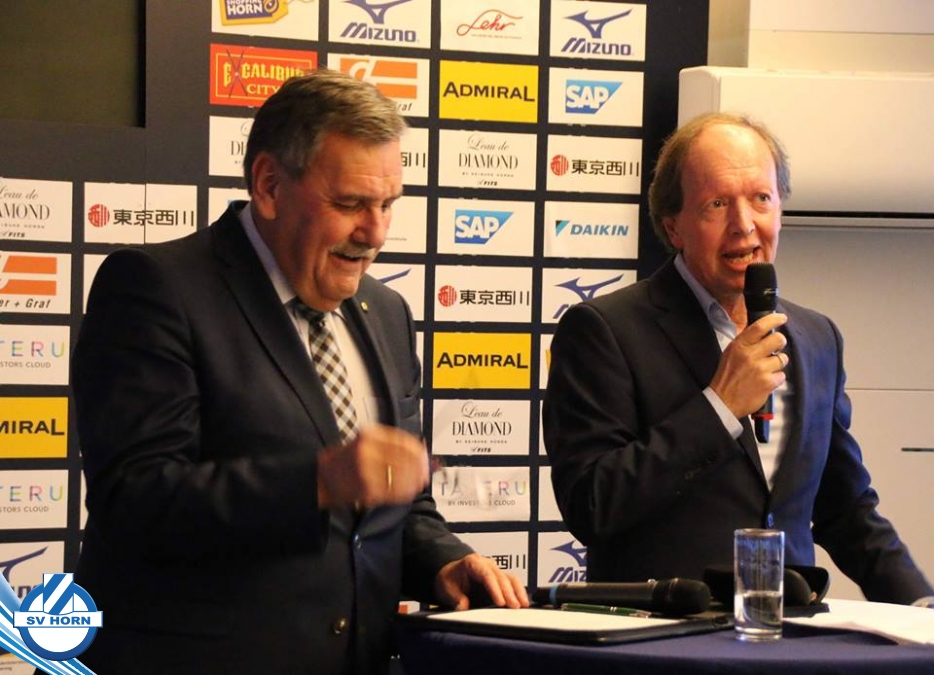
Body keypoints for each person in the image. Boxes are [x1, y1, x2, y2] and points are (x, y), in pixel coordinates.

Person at [69, 68, 528, 675]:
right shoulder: (156, 289)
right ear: (268, 185)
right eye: (350, 204)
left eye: (387, 204)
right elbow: (136, 501)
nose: (376, 232)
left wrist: (443, 559)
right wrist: (318, 481)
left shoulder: (387, 313)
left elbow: (396, 506)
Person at [542, 112, 933, 605]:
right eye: (718, 204)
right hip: (666, 632)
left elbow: (846, 508)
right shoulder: (604, 330)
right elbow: (592, 505)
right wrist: (720, 406)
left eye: (761, 199)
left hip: (788, 629)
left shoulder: (817, 337)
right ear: (674, 226)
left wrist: (921, 608)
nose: (744, 224)